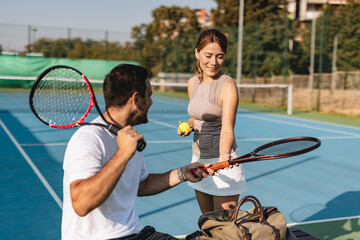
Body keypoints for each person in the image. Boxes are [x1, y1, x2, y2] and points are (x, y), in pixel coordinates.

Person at [61, 64, 214, 240]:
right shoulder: (89, 139)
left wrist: (182, 173)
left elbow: (142, 184)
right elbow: (81, 204)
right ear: (136, 99)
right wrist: (123, 155)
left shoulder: (128, 134)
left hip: (134, 233)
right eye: (148, 96)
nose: (151, 102)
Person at [177, 29, 246, 214]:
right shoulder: (193, 83)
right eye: (208, 55)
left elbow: (227, 129)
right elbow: (198, 116)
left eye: (220, 56)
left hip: (222, 163)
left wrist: (224, 156)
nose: (213, 62)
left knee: (224, 229)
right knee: (207, 224)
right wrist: (188, 125)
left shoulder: (228, 86)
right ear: (197, 53)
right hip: (198, 162)